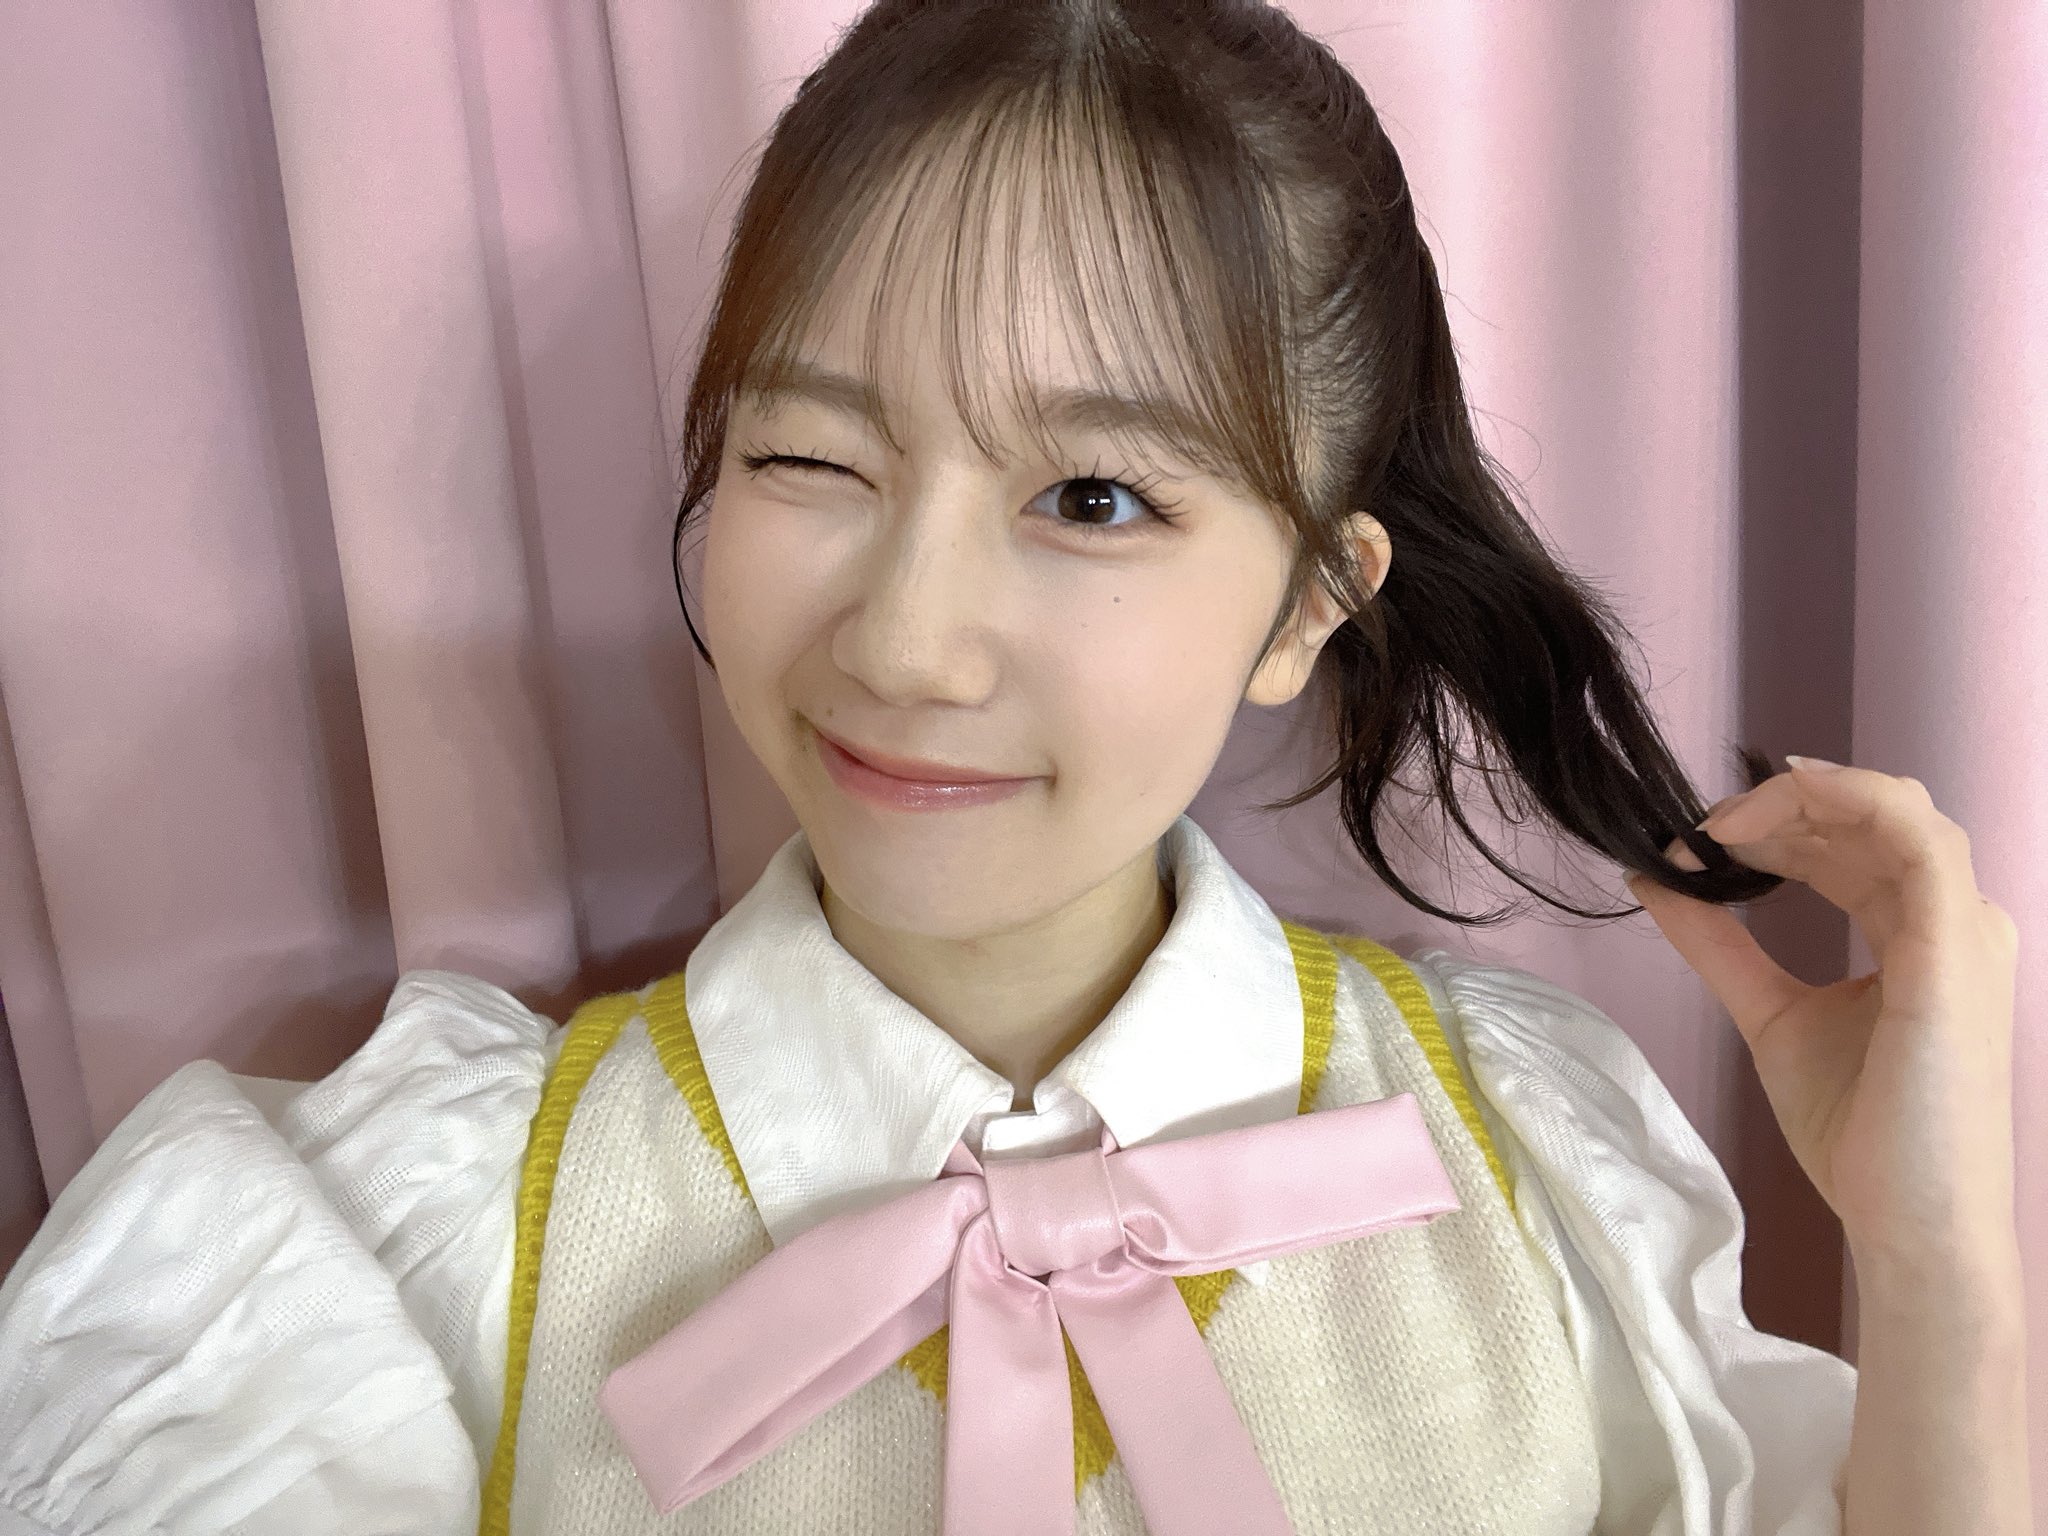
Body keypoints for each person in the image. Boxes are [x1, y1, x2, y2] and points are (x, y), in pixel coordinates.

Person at [4, 2, 2025, 1532]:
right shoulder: (395, 1242)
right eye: (810, 456)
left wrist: (1937, 1258)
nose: (901, 641)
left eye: (1091, 496)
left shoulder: (1532, 1159)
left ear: (1307, 605)